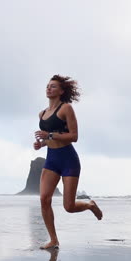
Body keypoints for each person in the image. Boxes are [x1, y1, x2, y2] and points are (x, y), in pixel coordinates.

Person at [33, 74, 103, 250]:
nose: (49, 88)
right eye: (48, 86)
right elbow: (49, 139)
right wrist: (41, 144)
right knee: (44, 199)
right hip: (51, 160)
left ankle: (90, 205)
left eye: (53, 86)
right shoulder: (41, 114)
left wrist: (48, 135)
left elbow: (74, 136)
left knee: (69, 207)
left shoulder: (66, 109)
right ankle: (53, 240)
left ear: (61, 91)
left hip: (68, 160)